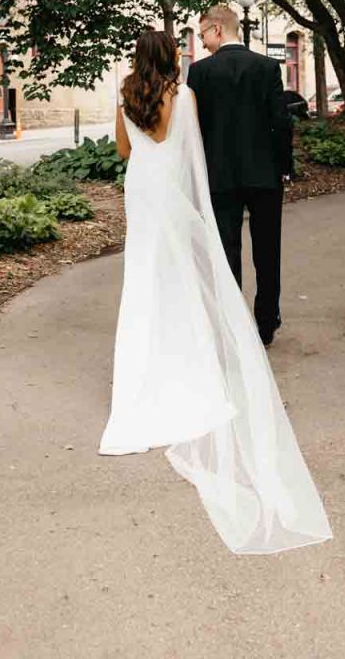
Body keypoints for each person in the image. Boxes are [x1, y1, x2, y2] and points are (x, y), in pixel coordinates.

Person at [99, 29, 331, 556]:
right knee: (182, 274)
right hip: (174, 189)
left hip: (141, 190)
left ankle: (142, 369)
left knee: (144, 276)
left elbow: (123, 150)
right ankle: (206, 345)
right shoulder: (183, 96)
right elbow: (193, 151)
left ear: (137, 58)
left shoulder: (126, 95)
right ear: (170, 56)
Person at [186, 4, 292, 347]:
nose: (202, 42)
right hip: (264, 174)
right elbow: (281, 122)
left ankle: (233, 326)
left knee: (226, 252)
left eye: (203, 33)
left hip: (219, 176)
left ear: (217, 29)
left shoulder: (199, 73)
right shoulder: (266, 67)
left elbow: (195, 129)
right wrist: (284, 167)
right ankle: (267, 322)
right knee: (268, 250)